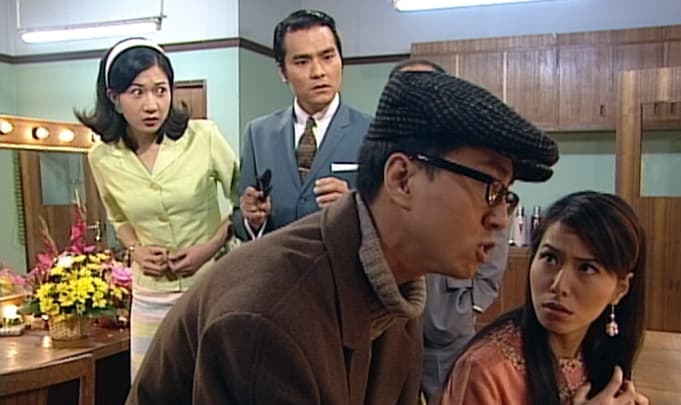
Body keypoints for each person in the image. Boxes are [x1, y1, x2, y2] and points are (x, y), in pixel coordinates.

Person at [126, 70, 559, 404]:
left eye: (507, 196)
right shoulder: (270, 315)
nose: (500, 218)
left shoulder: (398, 282)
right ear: (402, 179)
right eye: (490, 188)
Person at [75, 37, 238, 380]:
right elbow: (118, 217)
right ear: (114, 97)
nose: (151, 105)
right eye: (137, 92)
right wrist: (136, 249)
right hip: (150, 292)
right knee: (152, 384)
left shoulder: (204, 137)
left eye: (160, 90)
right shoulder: (101, 157)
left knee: (213, 383)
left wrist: (208, 249)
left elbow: (245, 203)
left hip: (209, 283)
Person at [439, 191, 649, 405]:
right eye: (550, 258)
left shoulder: (600, 355)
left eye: (586, 268)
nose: (559, 285)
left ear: (620, 290)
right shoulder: (486, 370)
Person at [389, 59, 511, 400]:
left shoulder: (470, 162)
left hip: (446, 325)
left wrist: (472, 305)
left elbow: (495, 232)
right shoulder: (379, 164)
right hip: (391, 324)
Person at [232, 9, 372, 240]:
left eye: (327, 57)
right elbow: (239, 219)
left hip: (343, 261)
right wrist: (252, 219)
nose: (318, 72)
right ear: (282, 71)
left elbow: (392, 218)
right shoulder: (258, 135)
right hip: (279, 260)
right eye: (302, 62)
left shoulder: (371, 133)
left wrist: (354, 208)